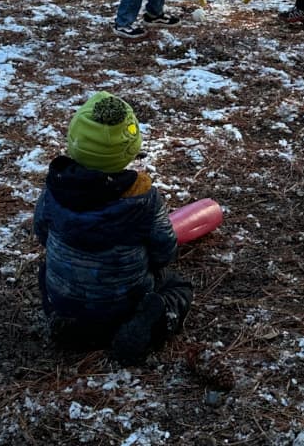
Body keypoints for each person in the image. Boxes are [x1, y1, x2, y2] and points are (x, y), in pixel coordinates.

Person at [33, 92, 194, 364]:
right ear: (130, 148)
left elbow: (42, 233)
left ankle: (67, 323)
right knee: (178, 287)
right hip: (123, 306)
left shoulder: (54, 189)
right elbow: (164, 250)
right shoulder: (144, 199)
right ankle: (149, 320)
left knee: (46, 271)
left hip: (65, 302)